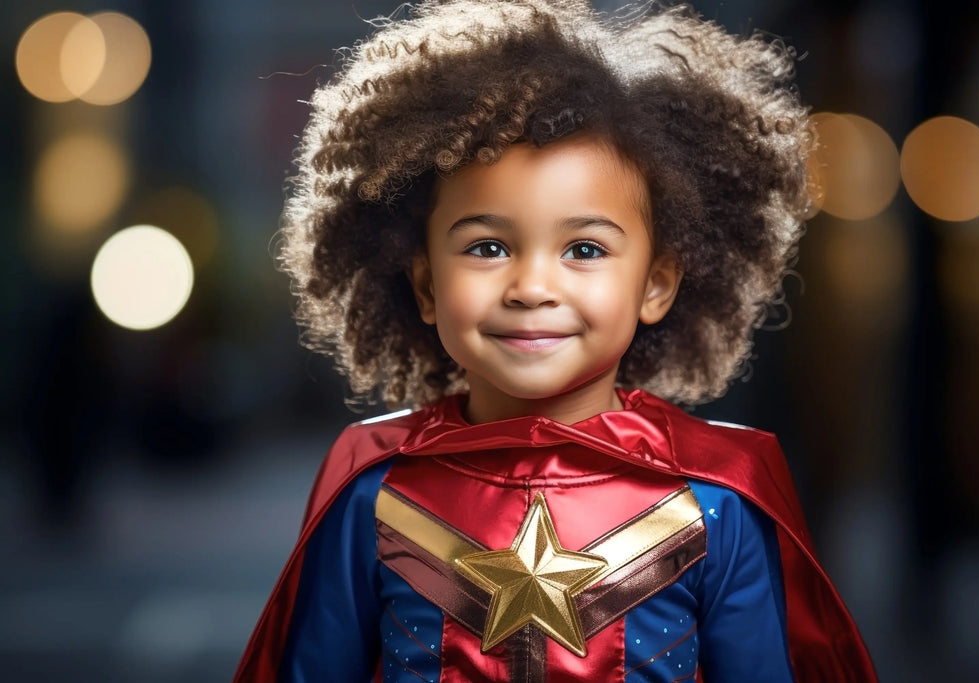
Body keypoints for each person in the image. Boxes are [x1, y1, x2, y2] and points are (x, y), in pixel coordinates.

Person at [235, 1, 877, 680]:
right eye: (487, 246)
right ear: (425, 284)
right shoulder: (374, 491)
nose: (532, 286)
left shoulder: (717, 501)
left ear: (656, 283)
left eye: (584, 248)